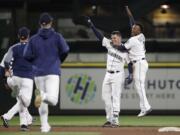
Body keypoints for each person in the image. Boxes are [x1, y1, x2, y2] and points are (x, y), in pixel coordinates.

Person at [23, 13, 69, 132]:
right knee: (52, 100)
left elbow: (26, 55)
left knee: (43, 103)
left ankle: (44, 126)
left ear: (40, 24)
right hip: (52, 71)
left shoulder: (33, 39)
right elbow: (65, 50)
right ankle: (42, 96)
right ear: (51, 23)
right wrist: (59, 60)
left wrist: (35, 63)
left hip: (38, 73)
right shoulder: (57, 37)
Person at [85, 16, 133, 127]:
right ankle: (110, 119)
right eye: (112, 38)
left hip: (118, 74)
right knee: (105, 97)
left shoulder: (125, 50)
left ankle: (115, 120)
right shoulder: (109, 44)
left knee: (115, 96)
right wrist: (92, 26)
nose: (113, 39)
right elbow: (99, 36)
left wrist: (130, 74)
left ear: (120, 38)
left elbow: (130, 63)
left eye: (115, 38)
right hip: (108, 74)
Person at [115, 6, 152, 117]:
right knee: (138, 85)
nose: (133, 28)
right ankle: (144, 108)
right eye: (133, 28)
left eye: (135, 28)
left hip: (139, 63)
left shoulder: (133, 39)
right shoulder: (141, 36)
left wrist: (114, 43)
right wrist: (129, 13)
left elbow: (122, 48)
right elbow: (132, 22)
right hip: (139, 63)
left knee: (139, 85)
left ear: (139, 31)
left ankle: (146, 107)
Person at [1, 27, 34, 131]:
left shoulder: (13, 48)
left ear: (19, 36)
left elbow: (5, 63)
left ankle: (24, 124)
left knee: (21, 101)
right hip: (26, 78)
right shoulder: (32, 48)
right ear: (29, 36)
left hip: (12, 79)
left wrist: (4, 78)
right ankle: (8, 116)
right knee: (25, 102)